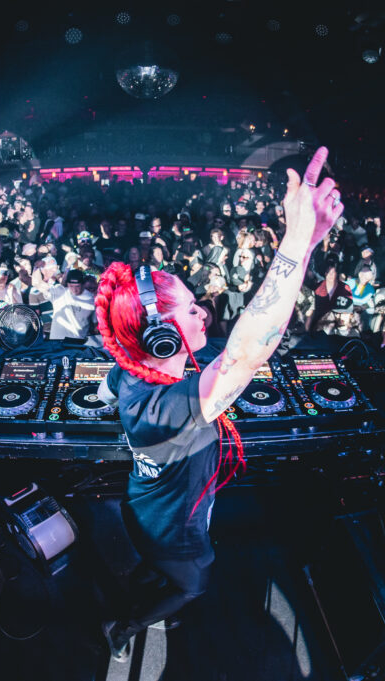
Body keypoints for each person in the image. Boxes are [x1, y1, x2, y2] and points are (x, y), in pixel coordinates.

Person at [94, 148, 343, 661]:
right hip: (174, 534)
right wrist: (295, 241)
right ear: (162, 337)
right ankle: (123, 627)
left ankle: (145, 593)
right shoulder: (158, 410)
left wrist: (306, 244)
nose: (203, 313)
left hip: (148, 508)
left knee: (166, 576)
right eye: (190, 308)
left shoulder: (135, 366)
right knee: (193, 586)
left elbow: (107, 388)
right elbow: (247, 352)